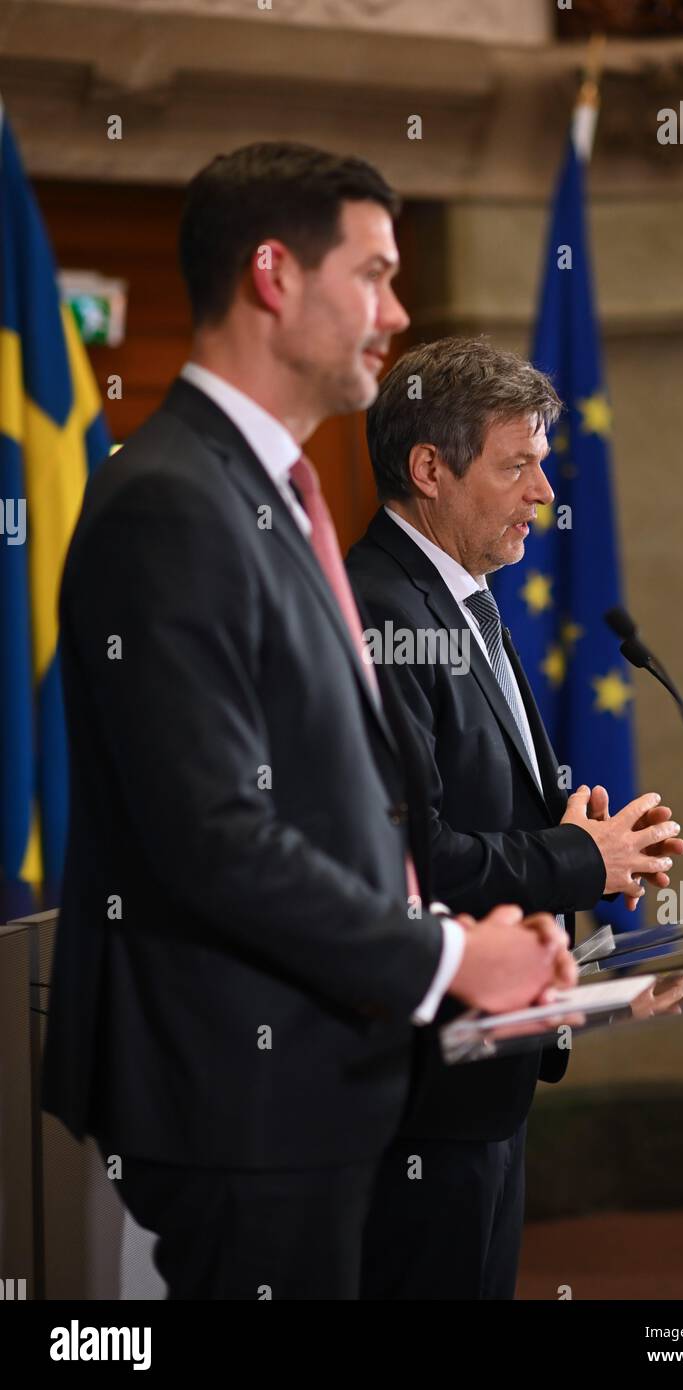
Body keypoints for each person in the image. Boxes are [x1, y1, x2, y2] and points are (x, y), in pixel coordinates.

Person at [41, 148, 575, 1301]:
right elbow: (212, 834)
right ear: (275, 276)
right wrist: (450, 949)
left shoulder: (265, 487)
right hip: (238, 1079)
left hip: (313, 1065)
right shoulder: (174, 499)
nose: (397, 312)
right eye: (374, 275)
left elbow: (344, 795)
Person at [347, 336, 683, 1299]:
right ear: (429, 470)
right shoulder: (381, 613)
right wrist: (576, 859)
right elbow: (413, 866)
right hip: (420, 1094)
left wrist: (585, 837)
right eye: (518, 464)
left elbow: (473, 808)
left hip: (484, 1079)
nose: (544, 490)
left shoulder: (465, 600)